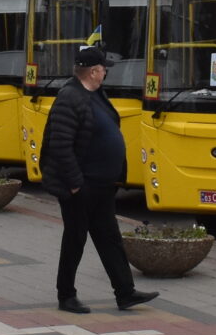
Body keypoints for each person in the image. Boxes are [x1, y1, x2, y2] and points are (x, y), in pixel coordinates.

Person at [41, 45, 154, 316]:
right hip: (81, 186)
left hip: (101, 185)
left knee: (109, 238)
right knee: (75, 239)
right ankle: (66, 295)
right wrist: (76, 183)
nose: (105, 72)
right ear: (93, 72)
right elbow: (60, 145)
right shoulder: (70, 97)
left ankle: (125, 292)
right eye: (104, 68)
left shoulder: (95, 94)